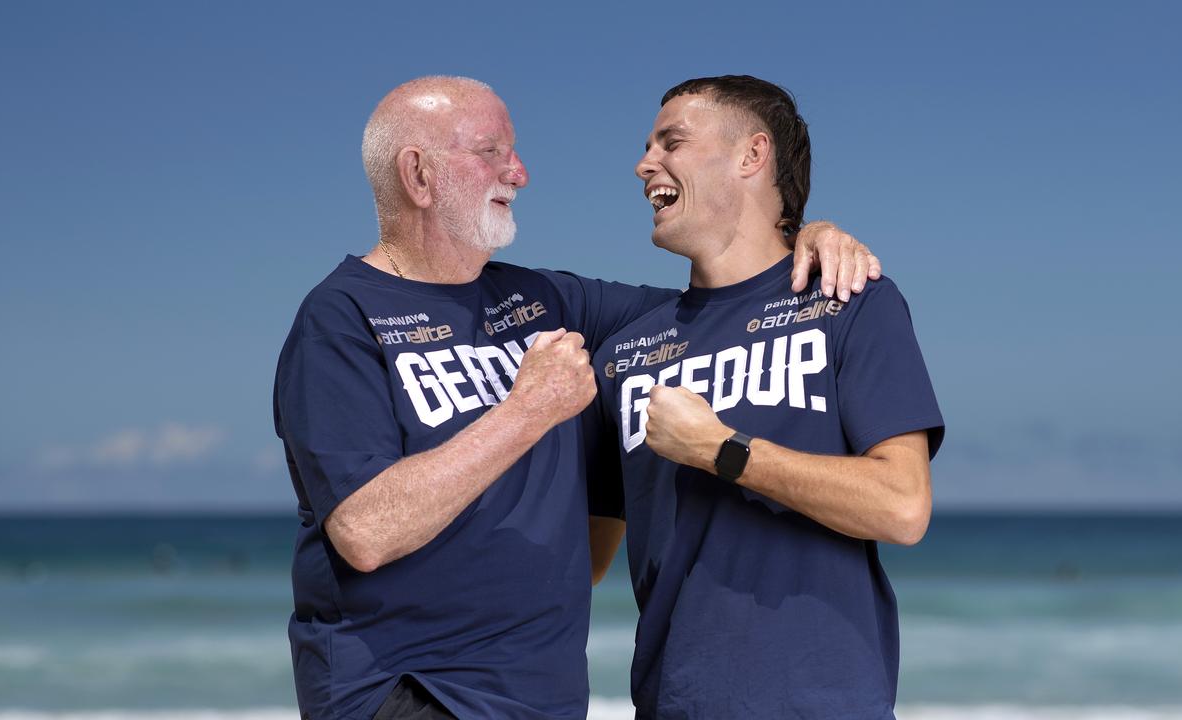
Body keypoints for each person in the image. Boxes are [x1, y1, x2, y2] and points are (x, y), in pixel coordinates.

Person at [272, 76, 879, 720]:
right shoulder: (340, 318)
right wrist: (526, 411)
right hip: (408, 690)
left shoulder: (546, 301)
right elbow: (366, 530)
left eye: (516, 150)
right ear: (418, 176)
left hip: (542, 698)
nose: (521, 173)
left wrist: (804, 232)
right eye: (492, 152)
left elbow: (721, 302)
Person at [590, 75, 945, 719]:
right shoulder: (623, 352)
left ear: (752, 156)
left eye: (671, 142)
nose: (645, 165)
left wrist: (722, 451)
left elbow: (903, 506)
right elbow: (585, 561)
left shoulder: (848, 302)